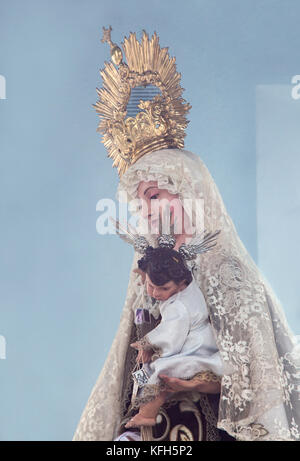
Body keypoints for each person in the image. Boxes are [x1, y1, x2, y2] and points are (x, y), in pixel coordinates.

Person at [73, 29, 300, 441]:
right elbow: (132, 348)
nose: (146, 211)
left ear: (187, 190)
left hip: (208, 422)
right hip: (157, 414)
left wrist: (192, 381)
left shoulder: (227, 268)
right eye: (140, 202)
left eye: (154, 195)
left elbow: (251, 371)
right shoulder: (149, 261)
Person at [123, 245, 224, 429]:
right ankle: (146, 391)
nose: (155, 293)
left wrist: (148, 344)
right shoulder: (187, 289)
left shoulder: (178, 306)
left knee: (156, 370)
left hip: (193, 346)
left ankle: (146, 413)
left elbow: (171, 336)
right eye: (150, 286)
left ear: (180, 283)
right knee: (148, 370)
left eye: (163, 288)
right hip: (201, 341)